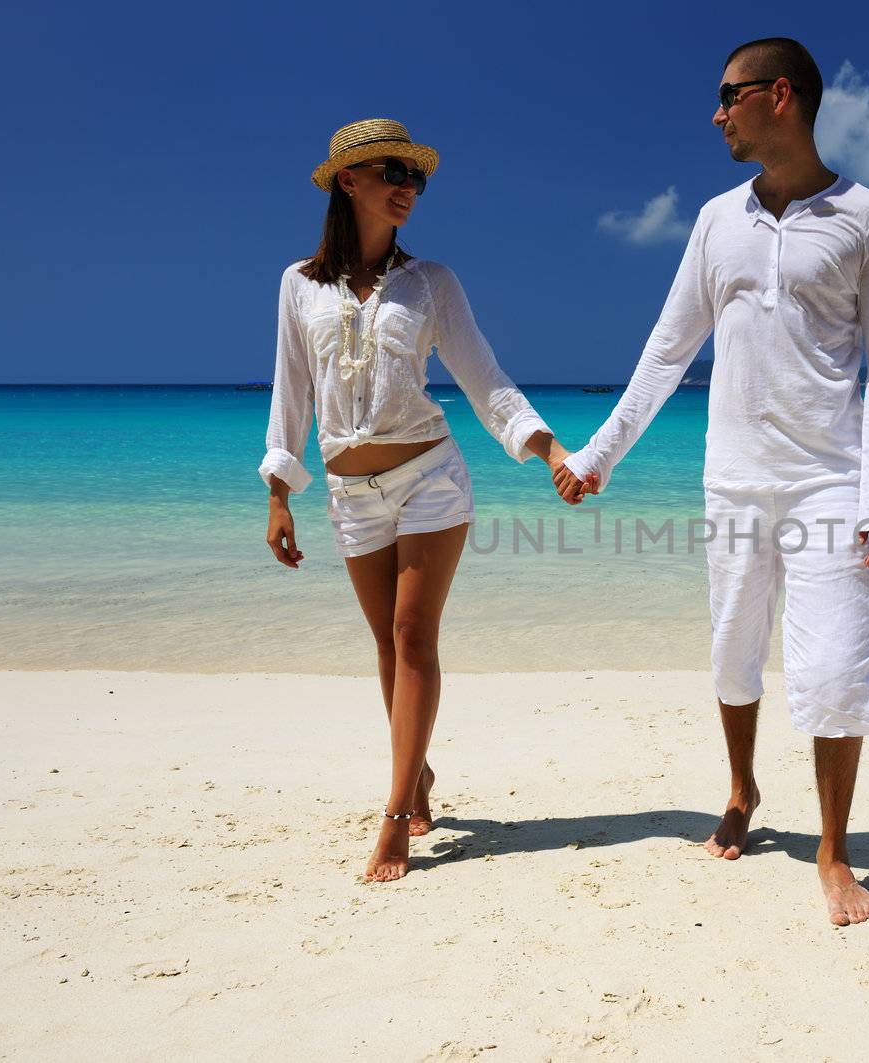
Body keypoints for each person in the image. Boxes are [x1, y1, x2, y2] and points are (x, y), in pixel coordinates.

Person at [555, 39, 869, 926]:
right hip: (733, 478)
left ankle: (833, 851)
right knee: (731, 650)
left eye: (728, 97)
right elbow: (668, 349)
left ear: (778, 96)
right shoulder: (717, 219)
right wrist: (600, 454)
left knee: (833, 666)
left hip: (830, 479)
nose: (716, 114)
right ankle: (743, 788)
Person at [260, 118, 579, 883]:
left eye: (417, 176)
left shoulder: (431, 282)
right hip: (349, 492)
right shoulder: (298, 284)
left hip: (431, 477)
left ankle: (397, 811)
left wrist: (553, 451)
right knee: (384, 644)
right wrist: (280, 491)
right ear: (348, 181)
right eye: (391, 172)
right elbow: (291, 391)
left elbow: (485, 380)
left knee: (412, 635)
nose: (408, 186)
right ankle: (420, 772)